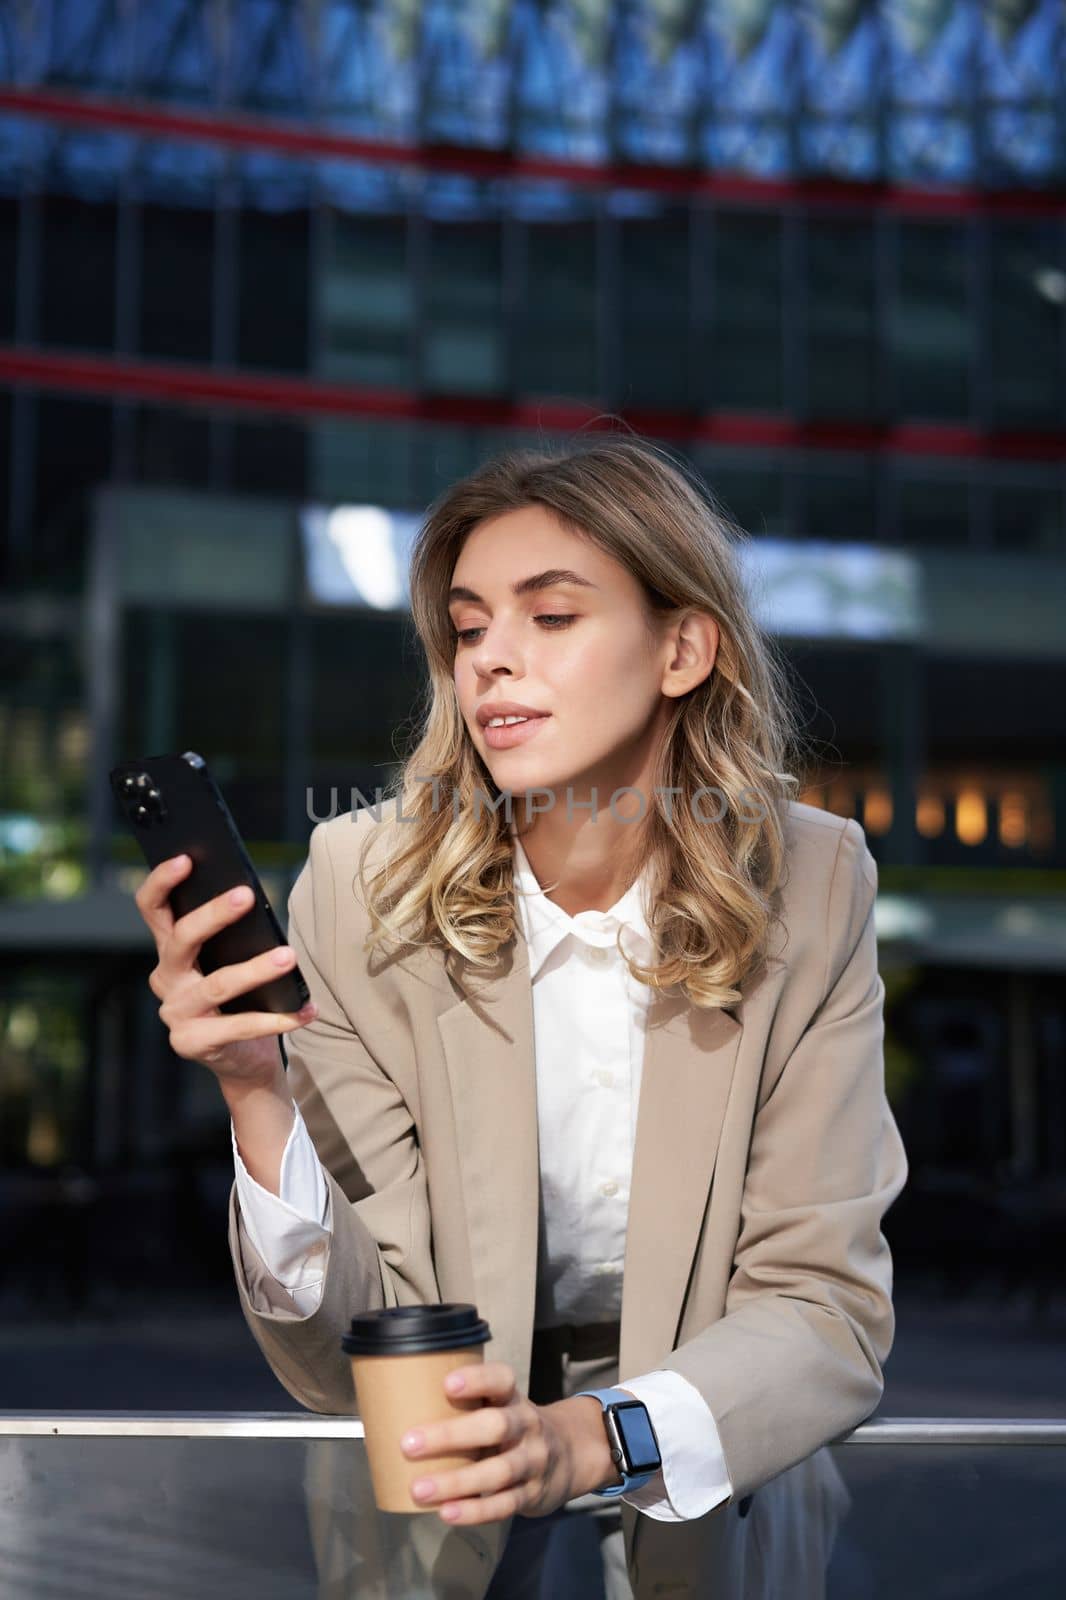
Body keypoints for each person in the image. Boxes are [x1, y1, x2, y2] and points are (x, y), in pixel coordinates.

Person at [135, 434, 907, 1600]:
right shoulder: (358, 882)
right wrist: (257, 1091)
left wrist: (588, 1439)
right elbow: (353, 1342)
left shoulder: (812, 880)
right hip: (431, 1502)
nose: (490, 659)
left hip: (707, 1471)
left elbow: (823, 1308)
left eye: (550, 617)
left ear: (683, 647)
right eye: (469, 624)